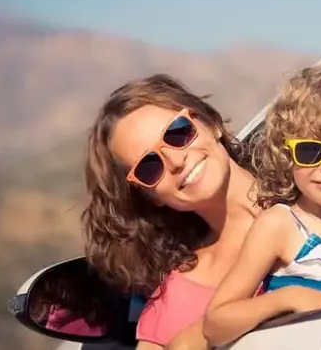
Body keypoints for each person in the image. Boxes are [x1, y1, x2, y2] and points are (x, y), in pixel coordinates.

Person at [199, 61, 321, 349]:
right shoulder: (281, 225)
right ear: (286, 153)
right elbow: (215, 324)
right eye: (310, 151)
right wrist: (289, 297)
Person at [81, 73, 260, 350]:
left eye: (178, 133)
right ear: (150, 196)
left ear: (210, 124)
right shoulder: (176, 297)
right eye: (149, 165)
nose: (176, 161)